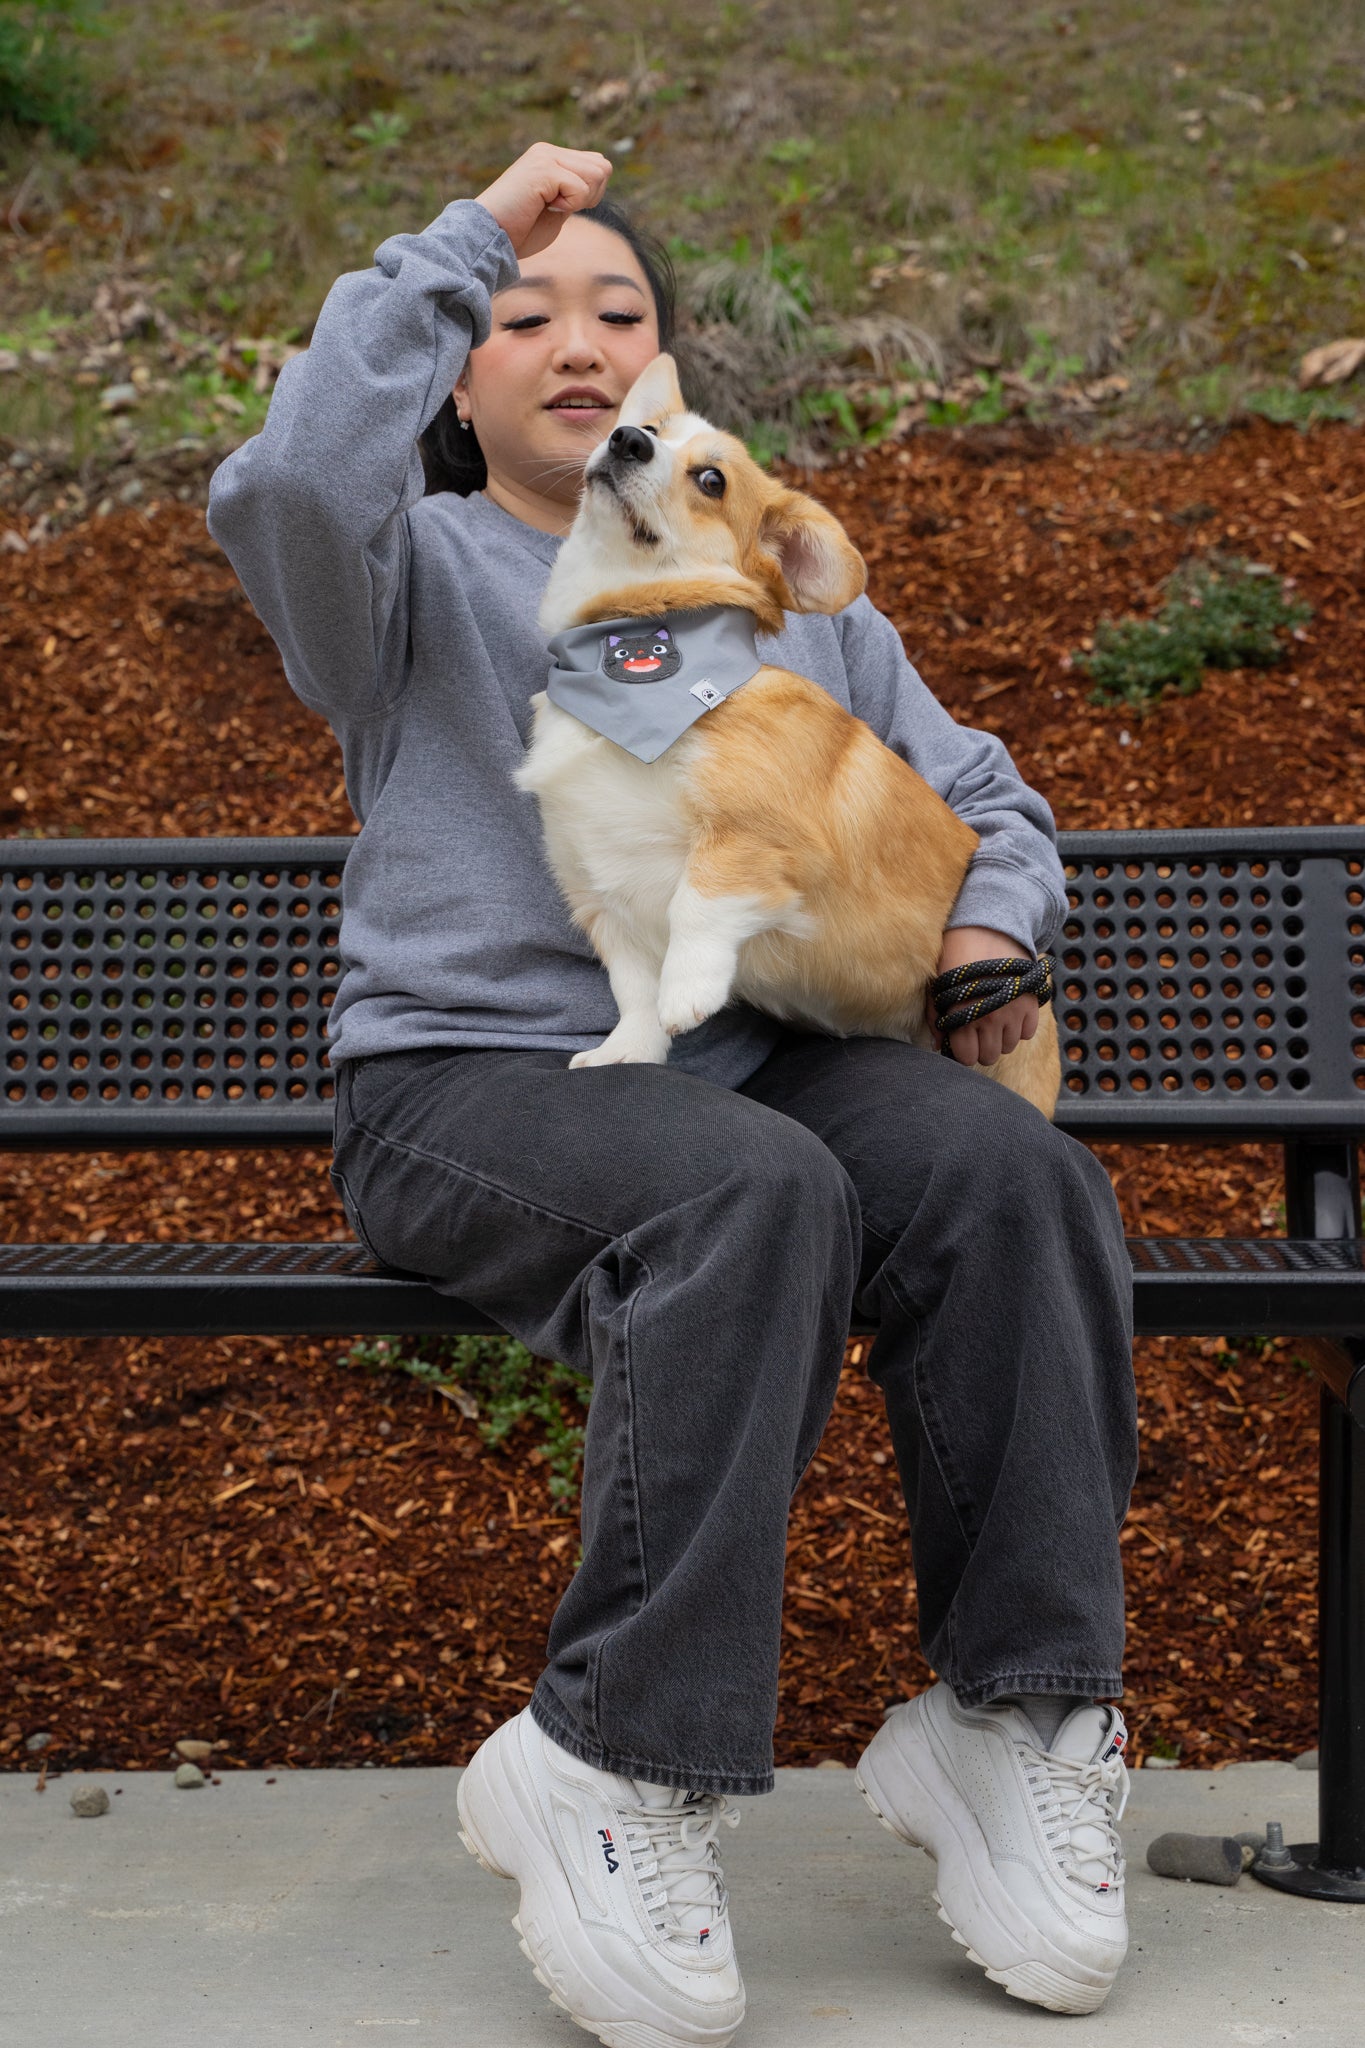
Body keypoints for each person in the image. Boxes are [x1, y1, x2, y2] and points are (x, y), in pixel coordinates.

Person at [208, 143, 1139, 2047]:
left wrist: (985, 939)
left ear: (669, 381)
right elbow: (295, 472)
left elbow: (992, 804)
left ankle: (1016, 1721)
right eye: (519, 318)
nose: (570, 342)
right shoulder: (407, 576)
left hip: (751, 1064)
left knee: (1002, 1173)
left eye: (615, 315)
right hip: (470, 1085)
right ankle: (611, 1762)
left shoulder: (779, 595)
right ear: (457, 384)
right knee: (753, 1190)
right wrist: (466, 236)